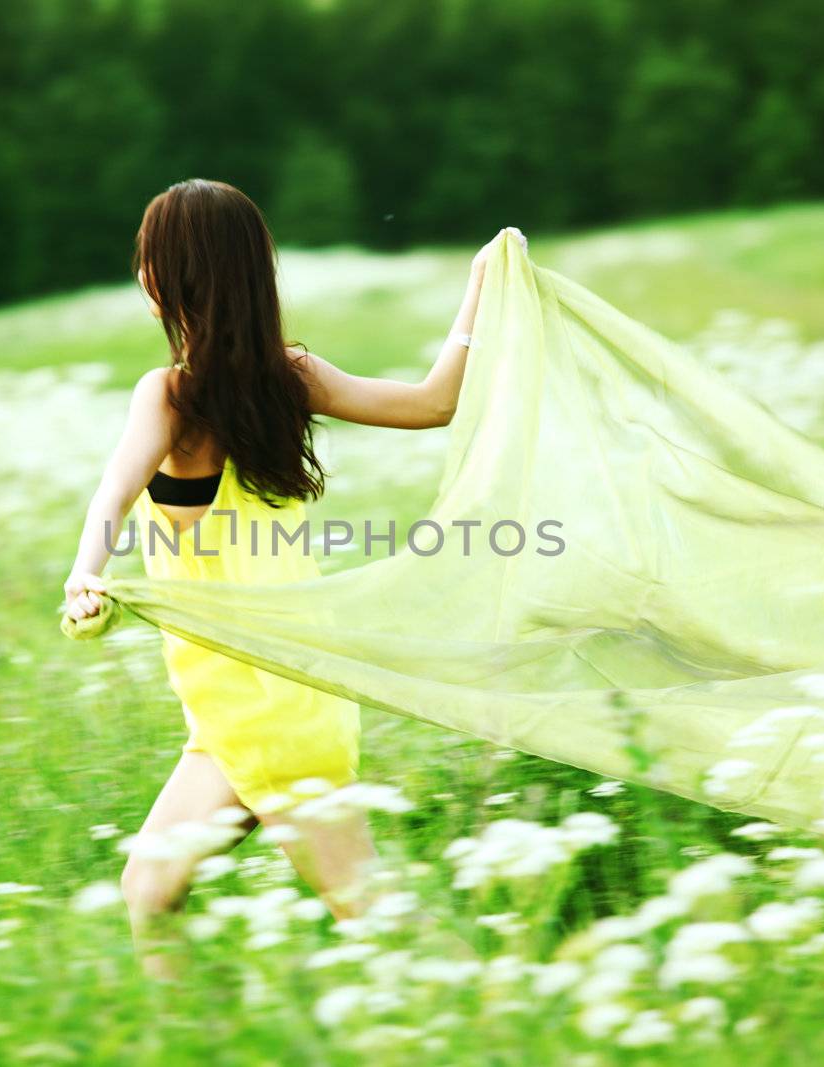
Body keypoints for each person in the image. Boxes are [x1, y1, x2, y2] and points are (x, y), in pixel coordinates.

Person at [62, 177, 522, 979]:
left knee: (368, 908)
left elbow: (116, 489)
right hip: (243, 710)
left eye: (149, 260)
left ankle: (499, 1005)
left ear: (174, 278)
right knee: (149, 890)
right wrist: (475, 291)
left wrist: (83, 573)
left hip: (269, 712)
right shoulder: (290, 376)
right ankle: (194, 1039)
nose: (142, 275)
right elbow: (433, 401)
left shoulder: (168, 394)